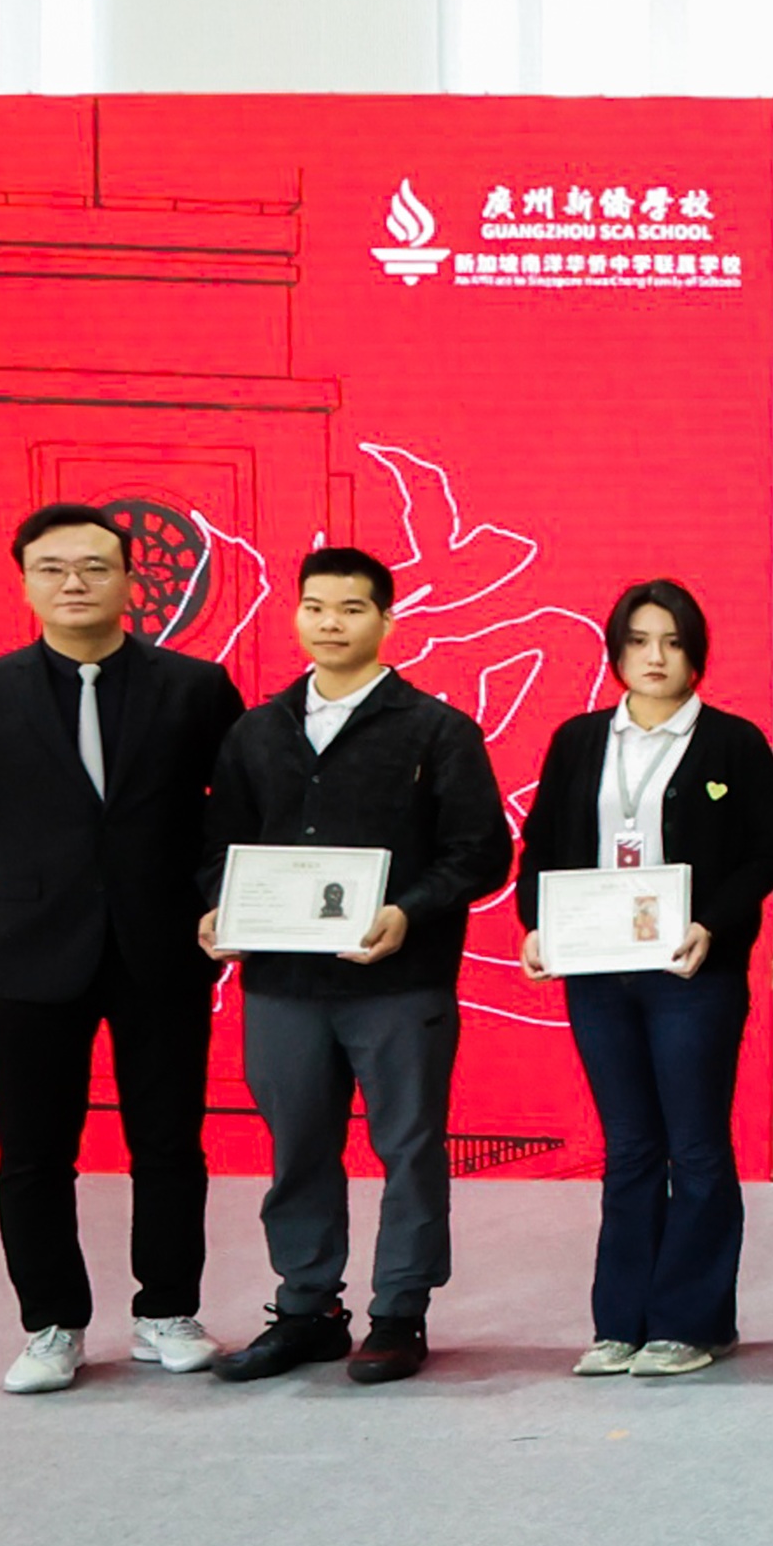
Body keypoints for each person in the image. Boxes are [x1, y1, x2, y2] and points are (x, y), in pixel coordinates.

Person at [0, 503, 247, 1395]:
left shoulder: (195, 688)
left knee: (170, 1141)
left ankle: (167, 1311)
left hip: (164, 942)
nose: (75, 583)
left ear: (129, 581)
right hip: (32, 949)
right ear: (26, 582)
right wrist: (47, 875)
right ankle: (51, 1325)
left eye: (96, 567)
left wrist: (202, 894)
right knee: (34, 1152)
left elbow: (233, 809)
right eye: (54, 568)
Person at [199, 546, 510, 1386]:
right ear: (296, 615)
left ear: (387, 620)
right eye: (315, 607)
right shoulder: (257, 730)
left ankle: (400, 1314)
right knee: (297, 1148)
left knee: (409, 1148)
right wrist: (218, 907)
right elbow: (217, 845)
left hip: (397, 981)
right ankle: (306, 1310)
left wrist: (407, 910)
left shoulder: (435, 729)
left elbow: (481, 851)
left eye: (350, 608)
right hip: (283, 984)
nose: (329, 623)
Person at [511, 579, 773, 1379]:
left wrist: (711, 924)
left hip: (689, 970)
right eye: (639, 641)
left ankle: (691, 1323)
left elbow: (767, 851)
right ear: (616, 651)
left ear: (696, 652)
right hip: (598, 971)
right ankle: (620, 1323)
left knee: (695, 1143)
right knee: (630, 1144)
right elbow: (540, 845)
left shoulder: (732, 742)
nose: (655, 657)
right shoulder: (579, 740)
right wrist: (537, 925)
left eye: (672, 641)